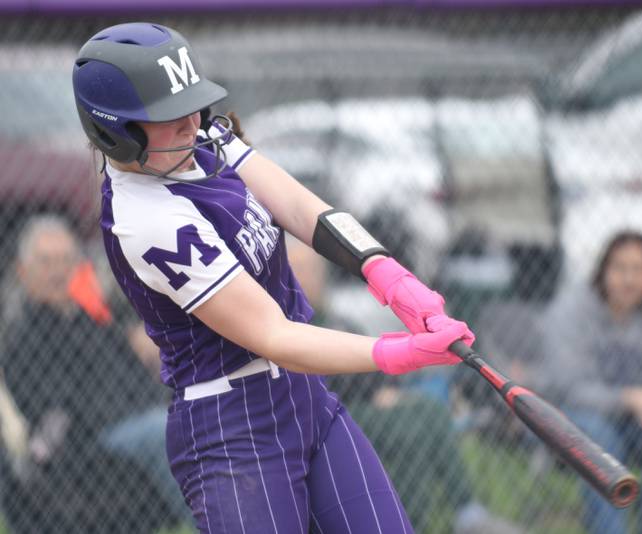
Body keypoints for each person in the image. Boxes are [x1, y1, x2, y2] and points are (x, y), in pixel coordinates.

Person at [72, 22, 474, 533]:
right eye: (169, 116)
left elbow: (297, 205)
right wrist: (397, 352)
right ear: (116, 132)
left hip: (306, 399)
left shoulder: (198, 142)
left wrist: (386, 273)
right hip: (232, 434)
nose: (192, 121)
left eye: (192, 105)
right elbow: (272, 335)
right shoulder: (146, 219)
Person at [287, 237, 526, 534]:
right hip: (332, 414)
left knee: (430, 412)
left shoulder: (338, 319)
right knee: (411, 429)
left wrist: (384, 390)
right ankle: (429, 519)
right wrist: (373, 394)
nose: (311, 277)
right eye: (300, 269)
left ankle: (465, 511)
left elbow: (370, 364)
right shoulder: (294, 325)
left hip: (373, 399)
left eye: (314, 269)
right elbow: (320, 379)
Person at [0, 215, 178, 534]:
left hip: (139, 417)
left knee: (186, 418)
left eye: (65, 260)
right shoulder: (24, 337)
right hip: (93, 439)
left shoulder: (90, 318)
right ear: (23, 272)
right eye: (46, 262)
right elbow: (55, 408)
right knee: (164, 430)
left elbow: (135, 372)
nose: (57, 271)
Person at [540, 231, 642, 534]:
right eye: (620, 268)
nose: (628, 279)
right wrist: (629, 398)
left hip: (636, 422)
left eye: (638, 270)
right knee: (598, 435)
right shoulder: (571, 311)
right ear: (603, 270)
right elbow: (566, 387)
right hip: (571, 420)